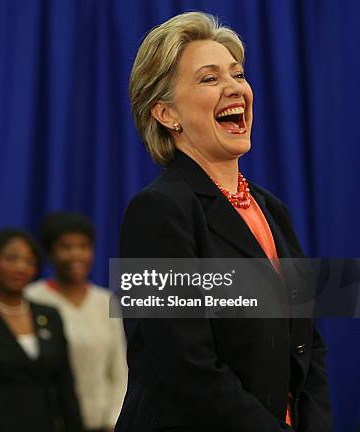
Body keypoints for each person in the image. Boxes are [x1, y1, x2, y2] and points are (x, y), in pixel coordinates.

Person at [117, 12, 331, 432]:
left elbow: (309, 346)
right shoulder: (155, 212)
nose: (235, 88)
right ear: (165, 113)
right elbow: (186, 367)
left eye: (237, 74)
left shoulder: (272, 210)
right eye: (209, 79)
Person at [0, 228, 84, 432]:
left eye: (30, 261)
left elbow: (66, 388)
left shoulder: (49, 316)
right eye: (12, 258)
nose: (21, 267)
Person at [25, 212, 127, 432]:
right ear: (50, 253)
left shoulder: (105, 300)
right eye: (66, 246)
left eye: (84, 246)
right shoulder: (32, 299)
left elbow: (120, 370)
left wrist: (114, 420)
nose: (76, 255)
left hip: (103, 426)